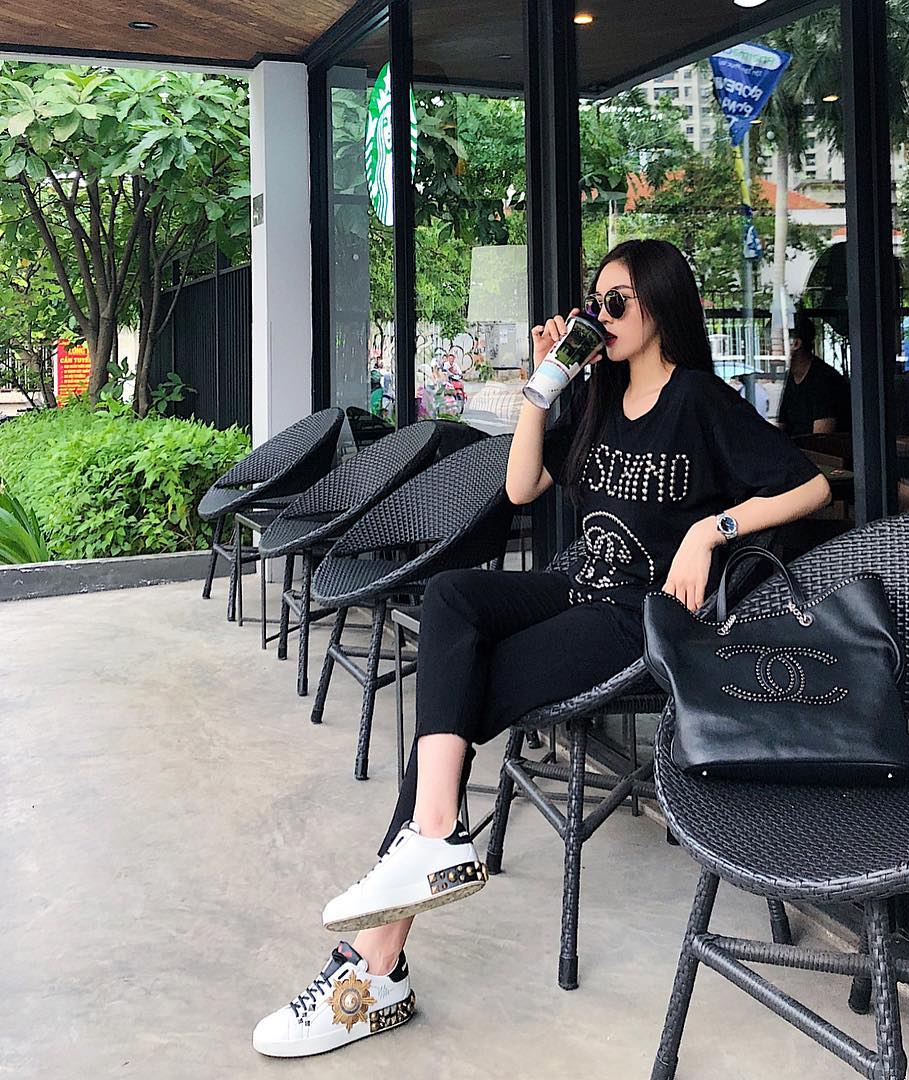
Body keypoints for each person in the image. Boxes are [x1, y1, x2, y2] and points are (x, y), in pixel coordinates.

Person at [252, 238, 831, 1059]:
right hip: (573, 584)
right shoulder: (597, 397)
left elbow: (811, 486)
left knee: (456, 704)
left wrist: (710, 529)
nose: (602, 316)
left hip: (635, 615)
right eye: (597, 303)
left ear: (661, 305)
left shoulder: (699, 399)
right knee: (454, 597)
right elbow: (521, 485)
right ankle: (430, 848)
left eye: (618, 302)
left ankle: (373, 964)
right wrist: (542, 386)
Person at [776, 313, 851, 437]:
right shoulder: (790, 378)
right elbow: (779, 430)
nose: (770, 348)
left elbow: (820, 441)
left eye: (776, 342)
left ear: (796, 343)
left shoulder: (825, 381)